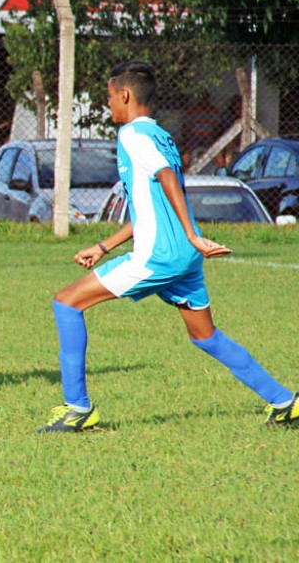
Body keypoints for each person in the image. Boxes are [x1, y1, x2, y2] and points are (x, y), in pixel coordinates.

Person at [39, 60, 299, 433]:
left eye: (109, 97)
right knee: (205, 336)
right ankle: (285, 402)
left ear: (125, 95)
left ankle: (77, 410)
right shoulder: (161, 135)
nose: (107, 104)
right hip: (183, 256)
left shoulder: (132, 135)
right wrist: (103, 245)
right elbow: (152, 207)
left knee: (66, 303)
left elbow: (164, 178)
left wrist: (193, 234)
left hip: (159, 256)